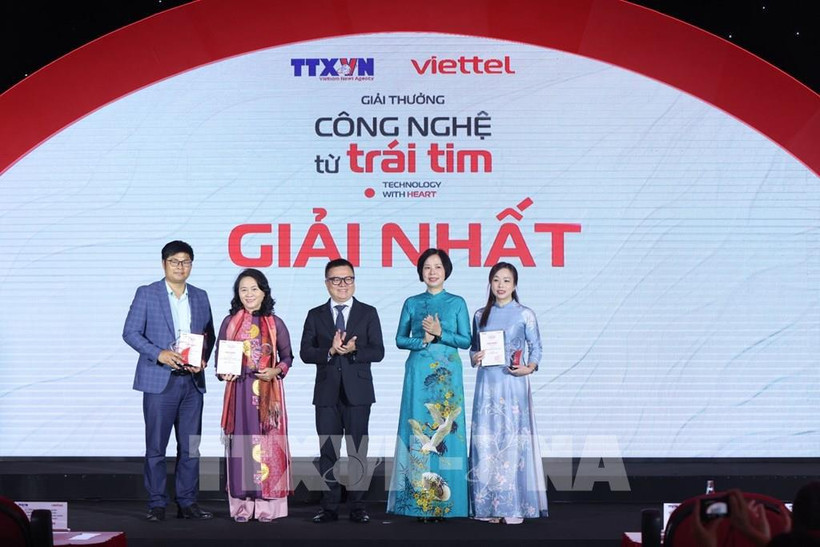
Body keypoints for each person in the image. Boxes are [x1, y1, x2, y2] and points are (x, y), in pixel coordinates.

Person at [123, 240, 215, 522]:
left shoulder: (200, 296)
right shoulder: (147, 293)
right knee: (156, 447)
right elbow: (130, 332)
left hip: (192, 383)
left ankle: (187, 502)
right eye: (174, 261)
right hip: (159, 381)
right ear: (164, 264)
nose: (180, 266)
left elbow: (209, 334)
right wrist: (159, 353)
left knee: (190, 447)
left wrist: (203, 358)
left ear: (191, 265)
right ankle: (157, 503)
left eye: (185, 261)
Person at [387, 248, 471, 521]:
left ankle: (449, 503)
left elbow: (466, 340)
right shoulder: (412, 303)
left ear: (446, 271)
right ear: (420, 272)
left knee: (447, 432)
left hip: (448, 375)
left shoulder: (457, 302)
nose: (432, 272)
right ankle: (420, 503)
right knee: (419, 433)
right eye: (427, 267)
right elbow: (400, 340)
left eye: (437, 267)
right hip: (419, 371)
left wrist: (440, 333)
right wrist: (423, 340)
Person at [300, 258, 385, 524]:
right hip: (326, 393)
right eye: (336, 279)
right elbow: (305, 352)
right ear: (327, 283)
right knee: (328, 451)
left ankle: (358, 507)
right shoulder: (315, 314)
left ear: (354, 281)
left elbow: (378, 351)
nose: (342, 284)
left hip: (358, 392)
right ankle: (329, 507)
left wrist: (355, 350)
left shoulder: (368, 312)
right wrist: (329, 350)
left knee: (358, 450)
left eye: (348, 279)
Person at [467, 262, 548, 524]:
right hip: (487, 385)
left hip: (513, 384)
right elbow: (473, 348)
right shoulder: (480, 315)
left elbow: (536, 347)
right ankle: (487, 506)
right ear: (490, 283)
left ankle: (512, 506)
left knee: (512, 441)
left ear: (515, 284)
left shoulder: (525, 314)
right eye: (496, 280)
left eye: (506, 281)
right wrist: (474, 357)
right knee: (486, 441)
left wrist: (529, 367)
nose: (500, 286)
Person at [216, 269, 293, 522]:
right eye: (243, 290)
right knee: (242, 445)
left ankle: (267, 507)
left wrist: (275, 371)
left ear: (264, 292)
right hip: (239, 391)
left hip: (268, 393)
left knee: (268, 447)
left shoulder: (275, 322)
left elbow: (287, 357)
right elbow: (220, 358)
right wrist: (224, 372)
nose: (249, 294)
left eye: (254, 289)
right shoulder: (230, 322)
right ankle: (242, 507)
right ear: (237, 294)